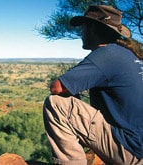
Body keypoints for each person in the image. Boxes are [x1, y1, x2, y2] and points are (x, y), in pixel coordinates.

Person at [43, 5, 143, 165]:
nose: (81, 32)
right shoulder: (128, 54)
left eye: (83, 27)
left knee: (56, 104)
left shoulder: (107, 54)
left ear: (93, 29)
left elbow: (57, 87)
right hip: (138, 145)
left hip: (131, 150)